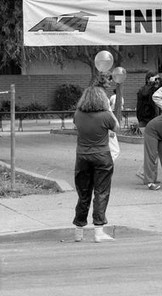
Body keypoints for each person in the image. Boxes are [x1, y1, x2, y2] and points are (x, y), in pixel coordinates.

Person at [72, 82, 119, 243]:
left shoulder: (78, 114)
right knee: (101, 192)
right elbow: (116, 127)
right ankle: (99, 231)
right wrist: (109, 109)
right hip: (102, 156)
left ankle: (79, 230)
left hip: (82, 157)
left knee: (83, 193)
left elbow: (75, 127)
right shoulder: (105, 115)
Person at [135, 71, 161, 182]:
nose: (157, 81)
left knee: (154, 151)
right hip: (146, 123)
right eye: (155, 79)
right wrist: (150, 84)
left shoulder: (154, 91)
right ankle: (144, 173)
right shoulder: (144, 90)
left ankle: (150, 176)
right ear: (148, 79)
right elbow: (145, 94)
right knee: (152, 151)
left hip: (151, 123)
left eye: (158, 79)